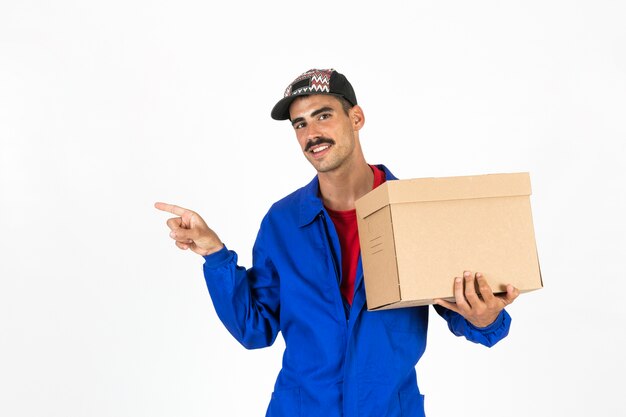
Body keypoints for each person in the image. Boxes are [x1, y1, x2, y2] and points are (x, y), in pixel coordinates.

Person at [155, 68, 519, 417]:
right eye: (300, 124)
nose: (311, 133)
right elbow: (255, 328)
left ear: (356, 118)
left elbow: (463, 311)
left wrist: (487, 318)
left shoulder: (413, 213)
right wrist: (214, 254)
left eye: (323, 115)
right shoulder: (282, 223)